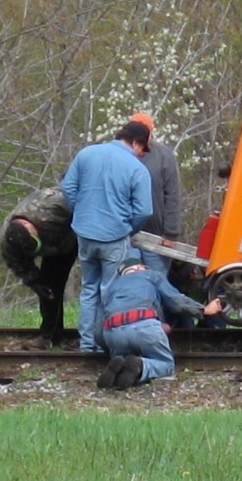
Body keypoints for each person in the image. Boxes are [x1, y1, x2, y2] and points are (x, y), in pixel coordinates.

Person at [61, 121, 153, 353]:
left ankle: (87, 343)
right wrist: (127, 228)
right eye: (143, 149)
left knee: (89, 289)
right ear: (135, 143)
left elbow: (68, 188)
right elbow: (144, 210)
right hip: (115, 236)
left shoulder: (86, 154)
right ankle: (106, 343)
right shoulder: (136, 168)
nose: (142, 154)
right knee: (110, 291)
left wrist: (81, 214)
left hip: (85, 234)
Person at [97, 256, 222, 390]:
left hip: (113, 332)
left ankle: (121, 366)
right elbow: (176, 302)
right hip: (144, 325)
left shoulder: (112, 288)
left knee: (124, 358)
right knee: (165, 364)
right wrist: (204, 310)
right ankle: (142, 366)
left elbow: (98, 331)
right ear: (141, 268)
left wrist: (108, 346)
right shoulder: (151, 275)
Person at [0, 188, 77, 347]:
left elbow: (86, 208)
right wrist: (35, 282)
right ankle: (50, 337)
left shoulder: (55, 205)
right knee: (48, 289)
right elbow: (18, 265)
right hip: (55, 246)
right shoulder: (9, 243)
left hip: (73, 238)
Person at [128, 112, 183, 277]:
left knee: (157, 281)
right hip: (125, 236)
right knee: (129, 281)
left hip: (156, 236)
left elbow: (173, 195)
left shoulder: (164, 156)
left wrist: (171, 233)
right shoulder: (119, 154)